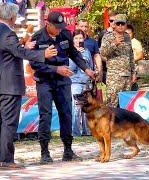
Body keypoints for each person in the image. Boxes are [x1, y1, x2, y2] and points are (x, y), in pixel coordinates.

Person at [0, 3, 55, 170]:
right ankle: (7, 160)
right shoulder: (8, 34)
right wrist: (42, 54)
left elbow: (10, 52)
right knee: (9, 122)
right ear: (12, 17)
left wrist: (23, 46)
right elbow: (20, 53)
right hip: (8, 84)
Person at [30, 11, 96, 164]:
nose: (59, 30)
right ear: (48, 24)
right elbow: (35, 64)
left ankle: (68, 150)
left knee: (66, 113)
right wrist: (55, 69)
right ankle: (45, 152)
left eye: (61, 27)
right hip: (45, 81)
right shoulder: (38, 38)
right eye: (56, 27)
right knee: (45, 115)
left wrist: (87, 69)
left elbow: (74, 54)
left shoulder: (65, 34)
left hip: (63, 81)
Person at [100, 14, 136, 108]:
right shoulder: (108, 36)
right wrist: (115, 43)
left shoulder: (127, 37)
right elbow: (103, 53)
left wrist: (133, 73)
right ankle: (111, 123)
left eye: (122, 24)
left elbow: (131, 55)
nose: (120, 26)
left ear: (125, 25)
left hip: (127, 76)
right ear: (114, 25)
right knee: (112, 104)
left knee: (126, 104)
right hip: (114, 76)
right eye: (118, 23)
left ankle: (123, 123)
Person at [69, 29, 94, 136]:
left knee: (87, 108)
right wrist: (77, 54)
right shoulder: (70, 52)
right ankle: (75, 132)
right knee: (77, 108)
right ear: (72, 39)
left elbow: (90, 66)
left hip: (87, 83)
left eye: (81, 38)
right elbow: (70, 69)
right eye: (76, 38)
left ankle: (86, 131)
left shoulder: (87, 51)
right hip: (76, 83)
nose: (79, 40)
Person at [97, 11, 118, 84]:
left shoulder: (123, 34)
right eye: (111, 21)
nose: (113, 23)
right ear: (109, 21)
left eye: (115, 21)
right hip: (107, 69)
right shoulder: (103, 34)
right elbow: (99, 52)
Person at [126, 24, 144, 90]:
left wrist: (131, 61)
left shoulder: (136, 42)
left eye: (129, 33)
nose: (128, 35)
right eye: (126, 33)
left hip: (133, 70)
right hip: (123, 71)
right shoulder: (121, 42)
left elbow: (141, 55)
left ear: (132, 33)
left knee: (133, 89)